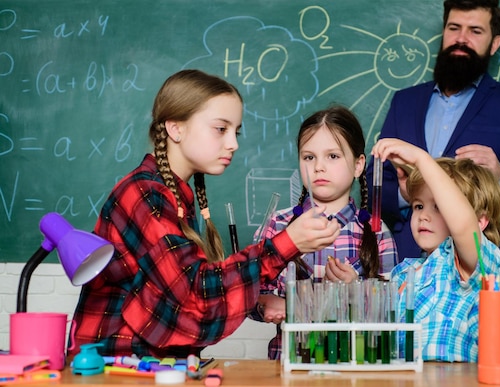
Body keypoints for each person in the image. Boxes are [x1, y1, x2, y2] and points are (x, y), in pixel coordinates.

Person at [71, 70, 341, 357]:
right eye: (220, 129)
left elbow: (168, 299)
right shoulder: (145, 195)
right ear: (176, 128)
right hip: (111, 372)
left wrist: (256, 300)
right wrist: (287, 244)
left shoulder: (172, 196)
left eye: (236, 132)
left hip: (140, 368)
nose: (233, 144)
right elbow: (195, 298)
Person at [367, 0, 500, 288]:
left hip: (478, 276)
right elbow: (372, 187)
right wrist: (409, 193)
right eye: (454, 28)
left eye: (475, 30)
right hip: (406, 266)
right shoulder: (405, 101)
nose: (462, 38)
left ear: (494, 43)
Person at [250, 105, 398, 359]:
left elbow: (390, 314)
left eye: (333, 156)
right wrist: (267, 304)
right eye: (309, 157)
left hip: (354, 368)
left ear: (358, 165)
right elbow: (248, 295)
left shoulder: (375, 232)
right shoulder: (279, 225)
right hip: (288, 366)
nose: (319, 166)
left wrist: (354, 290)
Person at [372, 138, 500, 362]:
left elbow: (462, 225)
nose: (423, 215)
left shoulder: (478, 263)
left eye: (439, 207)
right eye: (418, 206)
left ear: (480, 221)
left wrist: (421, 160)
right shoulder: (404, 272)